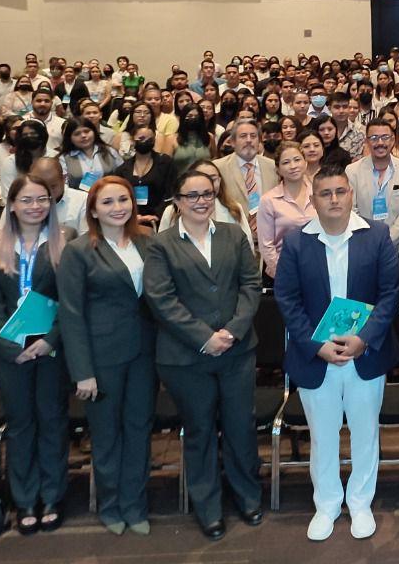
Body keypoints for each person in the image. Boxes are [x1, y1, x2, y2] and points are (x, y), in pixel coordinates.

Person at [272, 167, 399, 542]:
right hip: (317, 358)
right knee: (323, 436)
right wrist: (317, 345)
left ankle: (360, 502)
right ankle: (327, 503)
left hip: (365, 354)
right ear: (313, 200)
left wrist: (364, 338)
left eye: (339, 192)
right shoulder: (296, 242)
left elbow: (389, 294)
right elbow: (287, 300)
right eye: (325, 193)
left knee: (365, 434)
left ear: (350, 195)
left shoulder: (377, 235)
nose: (333, 199)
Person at [144, 169, 263, 541]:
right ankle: (208, 507)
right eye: (192, 195)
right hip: (185, 357)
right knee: (199, 431)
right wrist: (204, 337)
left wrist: (232, 331)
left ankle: (247, 496)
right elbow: (161, 299)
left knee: (241, 427)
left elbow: (251, 284)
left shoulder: (233, 236)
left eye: (207, 194)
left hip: (236, 350)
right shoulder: (160, 245)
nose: (201, 201)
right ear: (177, 202)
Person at [56, 176, 156, 535]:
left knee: (139, 429)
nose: (118, 208)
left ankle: (135, 504)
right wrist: (82, 370)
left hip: (144, 353)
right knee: (107, 433)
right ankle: (111, 505)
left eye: (123, 200)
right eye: (108, 202)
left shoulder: (147, 242)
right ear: (94, 210)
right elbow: (70, 313)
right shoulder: (79, 250)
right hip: (101, 358)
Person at [0, 175, 73, 535]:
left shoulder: (66, 241)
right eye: (27, 200)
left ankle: (52, 495)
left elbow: (71, 301)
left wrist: (50, 341)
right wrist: (12, 347)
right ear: (12, 204)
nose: (35, 207)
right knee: (20, 424)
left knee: (52, 420)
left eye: (42, 200)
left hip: (50, 348)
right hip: (8, 352)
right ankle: (24, 499)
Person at [345, 118, 399, 249]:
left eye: (385, 137)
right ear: (366, 141)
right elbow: (351, 209)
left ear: (393, 140)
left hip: (398, 246)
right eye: (374, 138)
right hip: (363, 244)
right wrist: (369, 239)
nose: (380, 142)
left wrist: (386, 240)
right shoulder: (352, 171)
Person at [257, 141, 315, 276]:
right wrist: (283, 273)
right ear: (278, 169)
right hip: (284, 270)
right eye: (286, 162)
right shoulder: (269, 200)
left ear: (305, 163)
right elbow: (266, 246)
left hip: (319, 269)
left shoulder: (318, 194)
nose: (293, 166)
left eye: (297, 160)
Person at [115, 124, 177, 231]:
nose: (146, 141)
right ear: (133, 140)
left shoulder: (165, 162)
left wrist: (157, 214)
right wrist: (134, 216)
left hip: (160, 219)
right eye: (142, 138)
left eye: (150, 139)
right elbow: (119, 195)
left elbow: (170, 192)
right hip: (130, 219)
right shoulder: (123, 168)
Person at [59, 117, 122, 190]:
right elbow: (64, 186)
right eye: (77, 134)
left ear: (94, 132)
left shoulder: (110, 151)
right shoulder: (64, 158)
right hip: (80, 199)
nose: (83, 136)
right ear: (70, 138)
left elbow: (121, 175)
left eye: (87, 131)